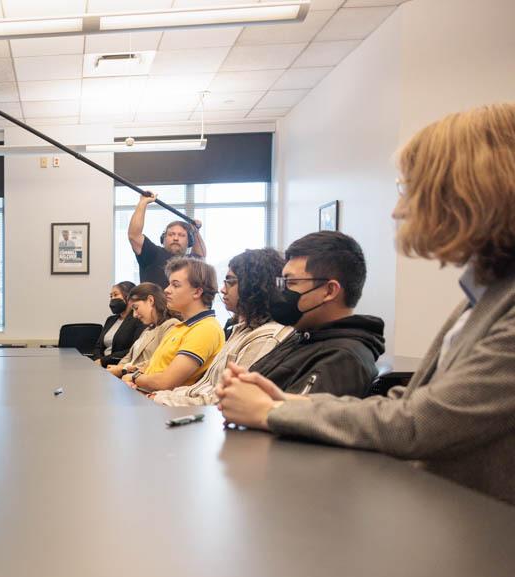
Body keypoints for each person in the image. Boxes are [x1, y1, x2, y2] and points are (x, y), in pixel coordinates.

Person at [217, 103, 515, 504]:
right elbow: (414, 405)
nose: (399, 209)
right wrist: (283, 399)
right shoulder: (485, 295)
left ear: (470, 193)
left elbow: (420, 424)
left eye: (410, 191)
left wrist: (270, 412)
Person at [243, 231, 385, 397]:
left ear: (329, 291)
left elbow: (292, 418)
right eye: (282, 282)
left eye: (291, 282)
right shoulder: (305, 337)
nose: (281, 292)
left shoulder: (343, 359)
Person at [150, 248, 293, 406]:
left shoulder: (266, 337)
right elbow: (204, 388)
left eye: (231, 282)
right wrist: (160, 395)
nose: (223, 289)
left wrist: (158, 396)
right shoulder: (241, 330)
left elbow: (224, 399)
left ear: (254, 285)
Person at [124, 257, 224, 393]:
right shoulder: (181, 327)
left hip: (163, 405)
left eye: (175, 285)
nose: (166, 290)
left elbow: (165, 382)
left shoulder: (206, 328)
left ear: (197, 292)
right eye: (169, 284)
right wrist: (135, 376)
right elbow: (153, 366)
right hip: (146, 394)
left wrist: (133, 378)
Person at [127, 193, 207, 289]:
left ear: (189, 241)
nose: (176, 238)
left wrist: (195, 231)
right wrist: (143, 202)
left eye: (181, 235)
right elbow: (134, 235)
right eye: (171, 234)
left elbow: (200, 255)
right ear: (163, 239)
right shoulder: (153, 253)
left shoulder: (190, 261)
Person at [106, 283, 177, 378]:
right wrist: (116, 368)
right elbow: (129, 356)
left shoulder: (171, 325)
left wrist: (123, 369)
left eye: (136, 308)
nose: (134, 315)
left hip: (144, 383)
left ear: (150, 300)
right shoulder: (148, 329)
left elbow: (159, 361)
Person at [92, 281, 144, 367]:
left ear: (128, 297)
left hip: (119, 366)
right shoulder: (110, 320)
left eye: (116, 295)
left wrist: (103, 361)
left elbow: (133, 349)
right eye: (111, 296)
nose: (112, 299)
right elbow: (98, 346)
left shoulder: (138, 320)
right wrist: (97, 360)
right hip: (100, 366)